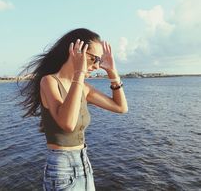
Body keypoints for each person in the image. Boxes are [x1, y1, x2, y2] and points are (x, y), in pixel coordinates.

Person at [18, 28, 128, 191]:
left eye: (100, 60)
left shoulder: (83, 87)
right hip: (61, 169)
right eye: (94, 59)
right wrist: (79, 73)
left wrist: (113, 73)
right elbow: (67, 124)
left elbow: (121, 108)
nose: (97, 65)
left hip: (84, 163)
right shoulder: (49, 82)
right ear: (77, 52)